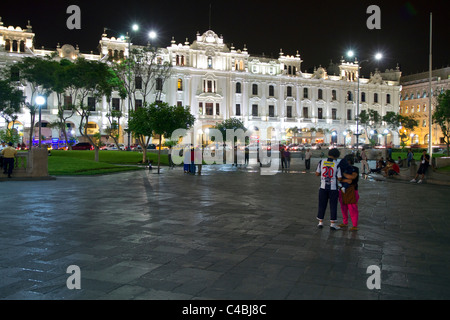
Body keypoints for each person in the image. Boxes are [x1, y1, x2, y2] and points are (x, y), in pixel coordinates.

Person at [315, 148, 342, 230]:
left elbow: (317, 173)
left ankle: (320, 222)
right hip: (333, 188)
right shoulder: (337, 164)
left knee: (322, 204)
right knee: (333, 205)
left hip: (323, 187)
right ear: (337, 155)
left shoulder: (322, 161)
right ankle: (332, 224)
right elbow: (339, 178)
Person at [338, 154, 360, 231]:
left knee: (352, 208)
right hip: (342, 190)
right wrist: (346, 179)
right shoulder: (341, 168)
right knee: (343, 207)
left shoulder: (355, 168)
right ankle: (345, 222)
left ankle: (354, 225)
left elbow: (352, 177)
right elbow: (339, 179)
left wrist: (343, 175)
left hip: (352, 190)